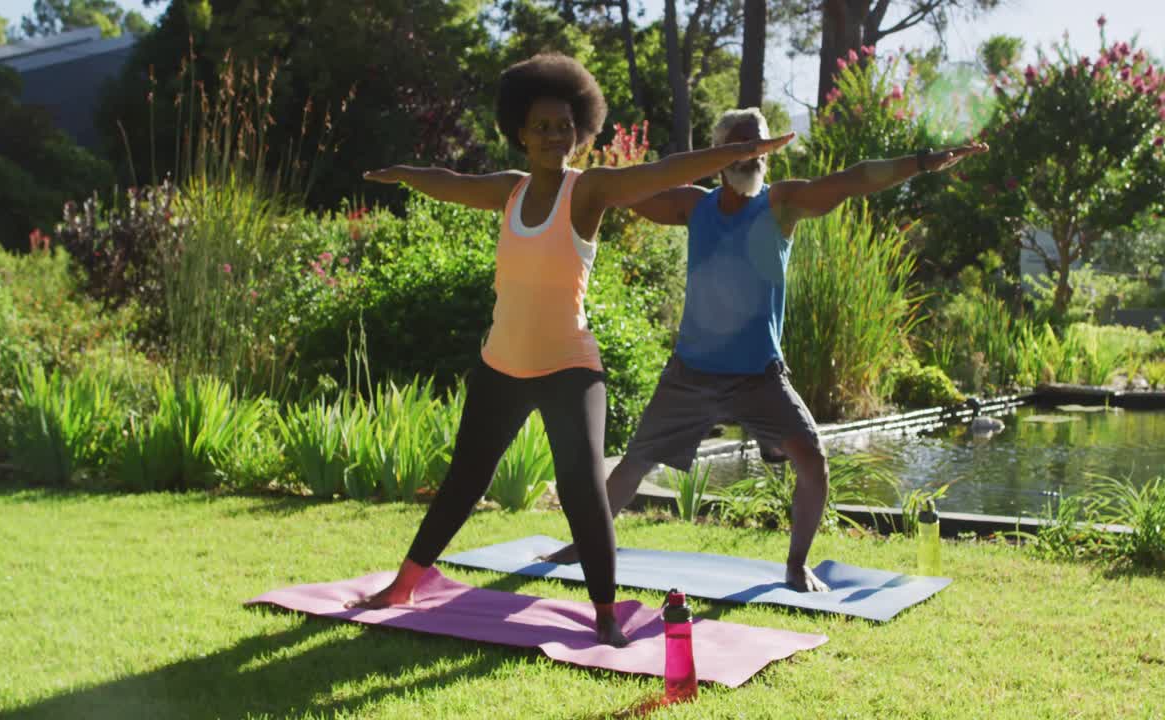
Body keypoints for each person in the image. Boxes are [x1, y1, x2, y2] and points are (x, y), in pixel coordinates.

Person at [343, 56, 793, 645]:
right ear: (521, 133)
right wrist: (404, 174)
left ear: (579, 132)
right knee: (464, 480)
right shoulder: (510, 190)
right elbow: (450, 183)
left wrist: (734, 155)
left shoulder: (592, 190)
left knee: (582, 487)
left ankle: (605, 613)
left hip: (569, 368)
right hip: (501, 365)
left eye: (565, 126)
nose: (556, 136)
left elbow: (663, 171)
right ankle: (403, 583)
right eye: (543, 126)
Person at [544, 107, 986, 592]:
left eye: (759, 145)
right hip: (690, 374)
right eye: (740, 145)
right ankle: (582, 544)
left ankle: (797, 565)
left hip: (760, 376)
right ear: (719, 156)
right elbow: (624, 192)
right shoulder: (694, 205)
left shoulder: (782, 204)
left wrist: (922, 162)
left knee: (812, 461)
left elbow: (853, 180)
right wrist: (563, 171)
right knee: (633, 464)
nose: (752, 156)